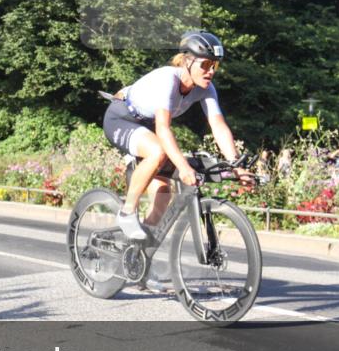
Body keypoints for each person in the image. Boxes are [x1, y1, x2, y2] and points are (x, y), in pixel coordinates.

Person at [102, 30, 253, 241]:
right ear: (187, 62)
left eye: (215, 66)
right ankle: (127, 212)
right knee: (158, 152)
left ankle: (137, 258)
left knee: (163, 194)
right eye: (205, 65)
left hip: (148, 128)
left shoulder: (206, 88)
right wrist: (183, 167)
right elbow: (163, 129)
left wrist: (236, 164)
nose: (210, 71)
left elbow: (218, 126)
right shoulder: (168, 80)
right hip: (122, 118)